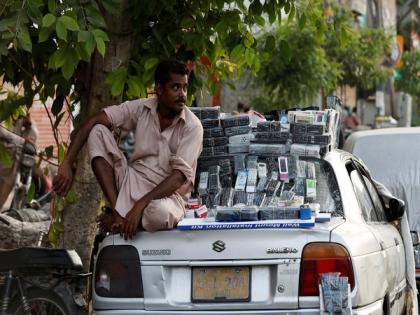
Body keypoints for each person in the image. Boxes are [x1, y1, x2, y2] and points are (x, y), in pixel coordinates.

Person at [53, 60, 203, 240]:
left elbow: (178, 177)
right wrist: (67, 162)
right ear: (160, 89)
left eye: (185, 88)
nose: (182, 94)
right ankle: (120, 212)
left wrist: (140, 205)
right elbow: (95, 120)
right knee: (97, 131)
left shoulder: (193, 126)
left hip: (167, 198)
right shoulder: (141, 108)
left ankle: (121, 218)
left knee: (159, 213)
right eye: (176, 87)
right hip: (130, 185)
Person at [0, 114, 39, 210]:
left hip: (13, 169)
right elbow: (3, 134)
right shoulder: (5, 120)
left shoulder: (31, 128)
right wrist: (22, 141)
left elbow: (32, 145)